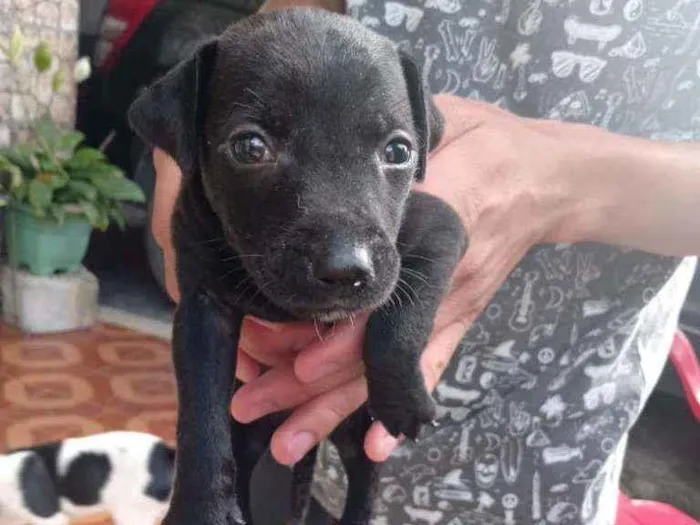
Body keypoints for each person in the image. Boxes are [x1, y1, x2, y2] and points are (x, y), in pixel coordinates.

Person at [150, 0, 700, 523]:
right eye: (252, 148)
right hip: (312, 421)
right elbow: (297, 25)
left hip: (548, 454)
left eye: (395, 153)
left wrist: (555, 182)